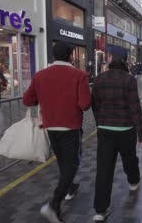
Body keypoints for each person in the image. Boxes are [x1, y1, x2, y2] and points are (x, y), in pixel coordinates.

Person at [23, 42, 92, 223]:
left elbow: (27, 100)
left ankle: (69, 188)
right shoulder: (79, 75)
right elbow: (85, 104)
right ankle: (54, 204)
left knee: (63, 163)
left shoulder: (40, 75)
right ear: (71, 56)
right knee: (72, 164)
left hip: (50, 127)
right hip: (70, 128)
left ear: (53, 56)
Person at [91, 46, 142, 222]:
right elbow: (135, 107)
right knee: (129, 158)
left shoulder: (99, 79)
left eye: (108, 56)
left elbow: (95, 105)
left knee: (104, 168)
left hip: (106, 129)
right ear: (124, 60)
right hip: (125, 129)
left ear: (111, 58)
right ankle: (133, 181)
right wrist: (141, 133)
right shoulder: (129, 80)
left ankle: (100, 210)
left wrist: (100, 122)